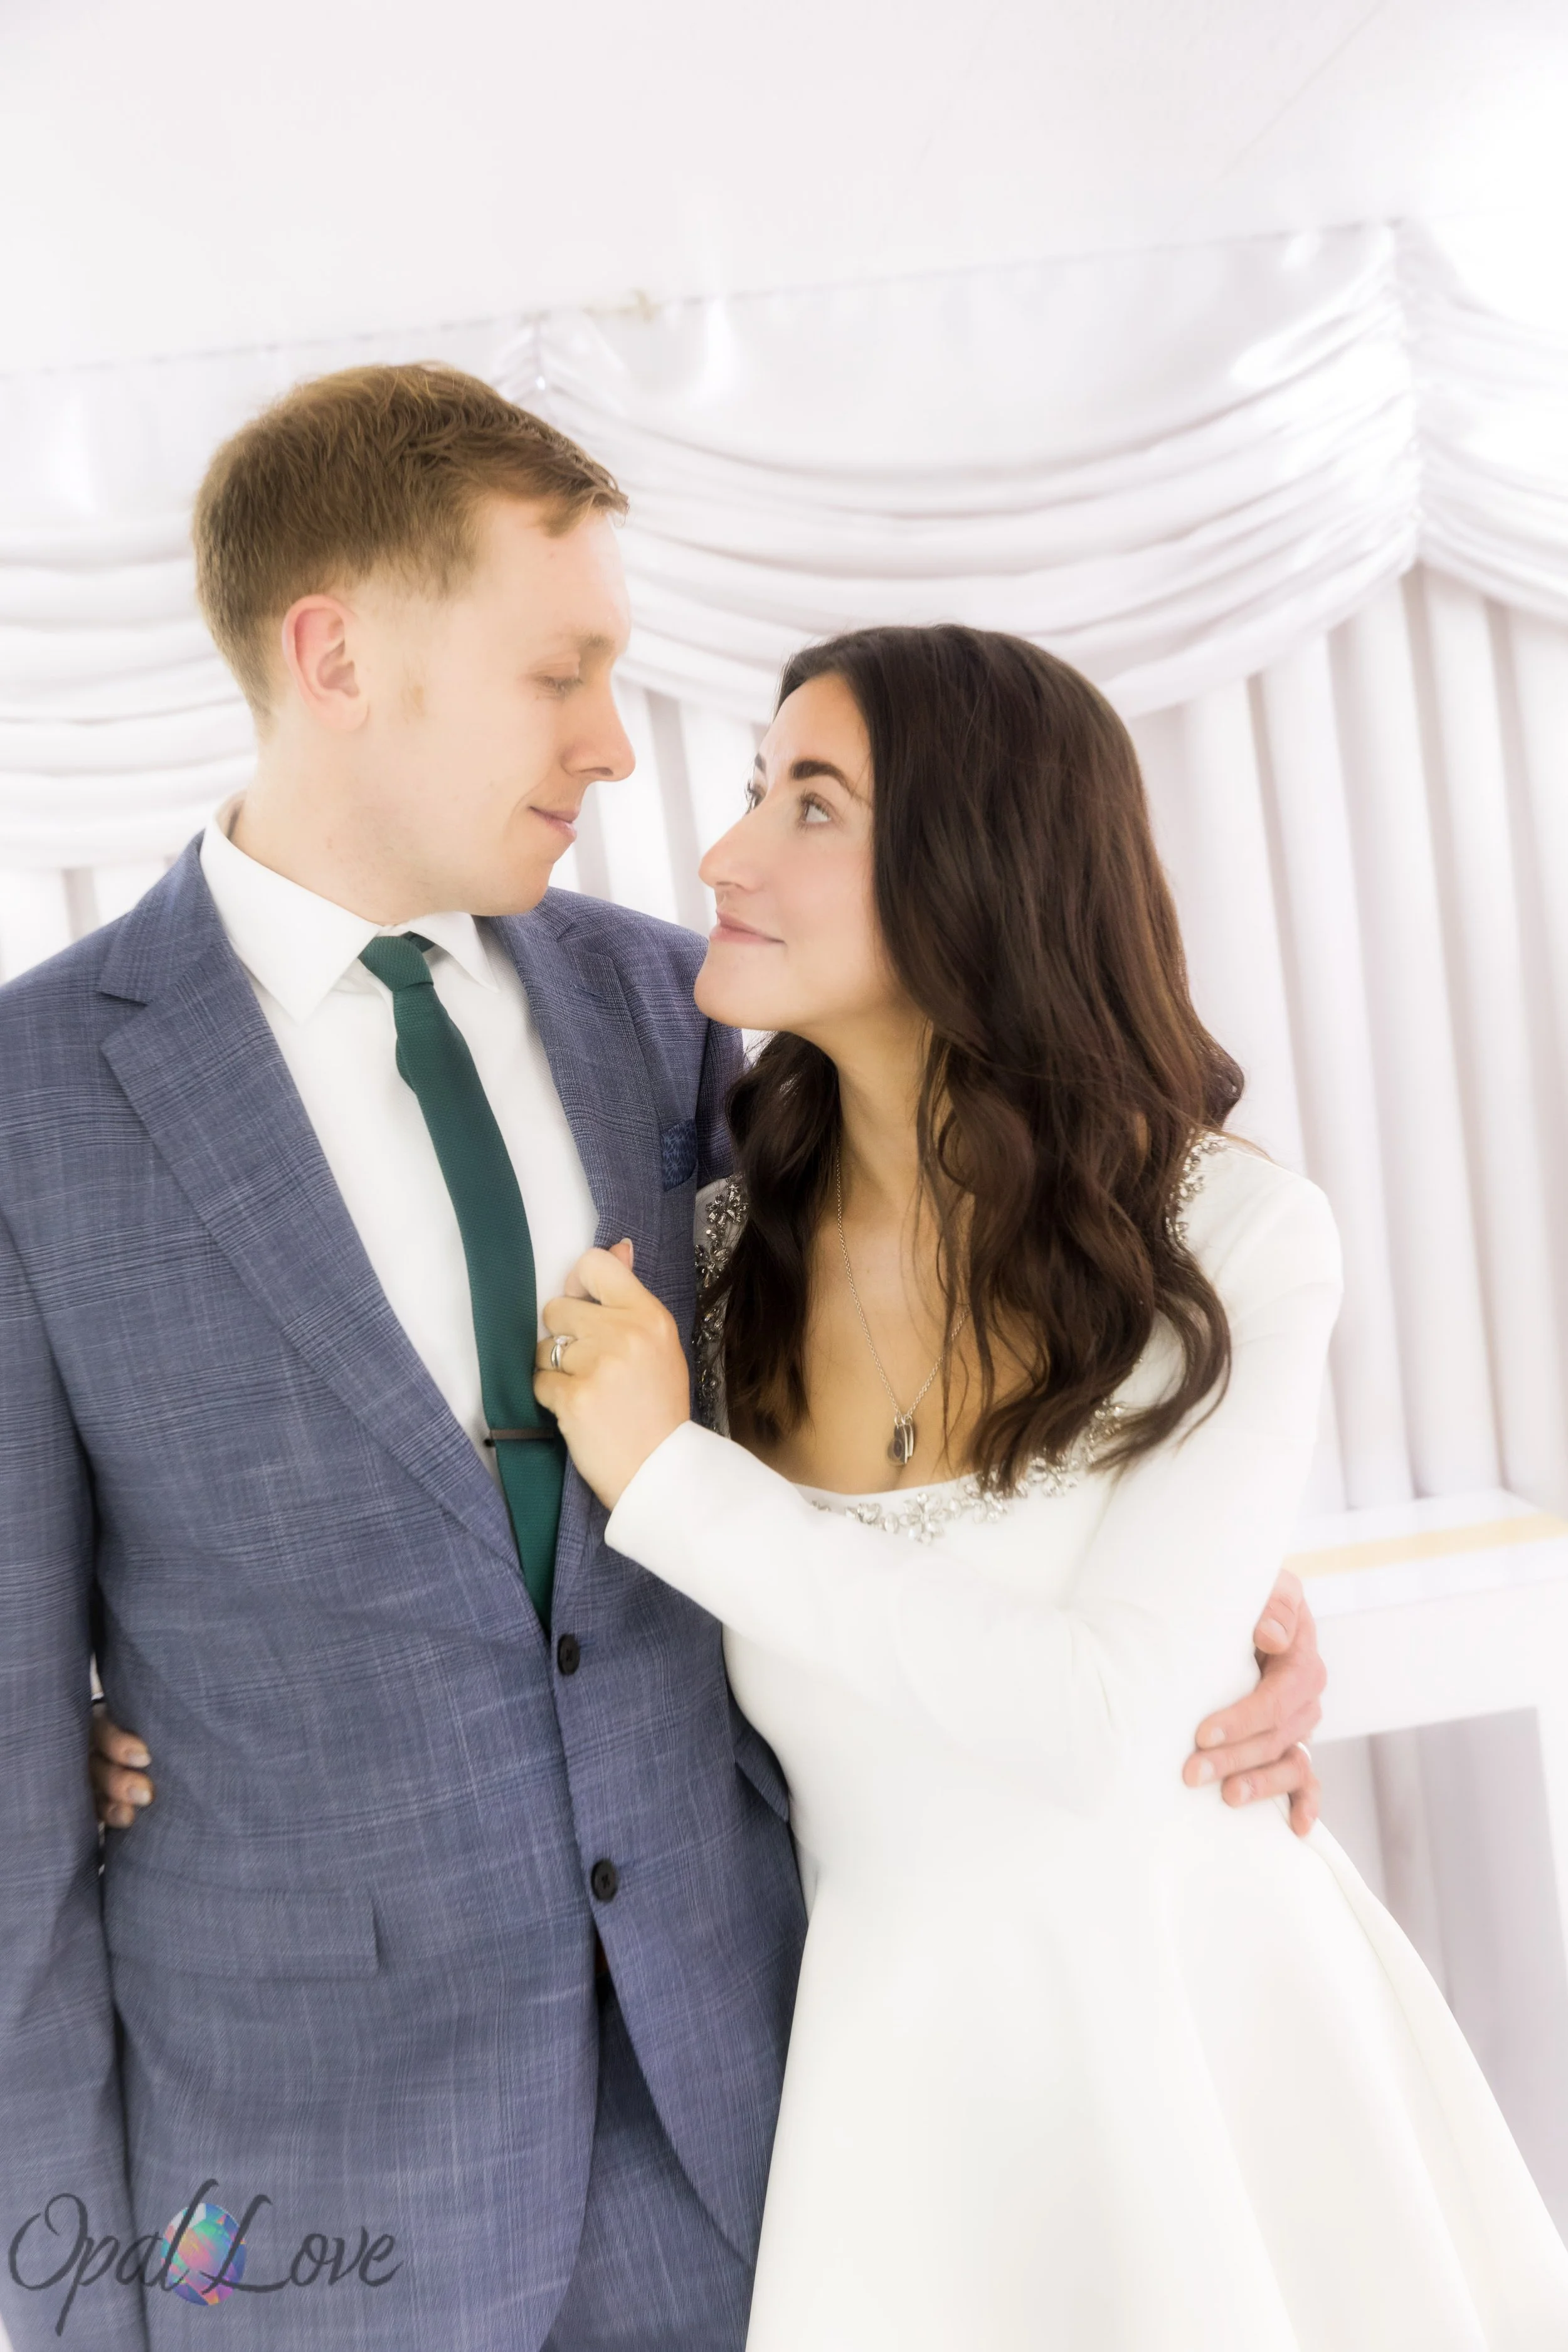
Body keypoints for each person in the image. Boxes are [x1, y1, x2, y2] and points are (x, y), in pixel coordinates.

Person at [8, 363, 1318, 2352]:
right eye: (563, 674)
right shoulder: (35, 1098)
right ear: (336, 652)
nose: (618, 749)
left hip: (771, 2151)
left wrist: (1210, 1582)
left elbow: (904, 1391)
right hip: (307, 2213)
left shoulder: (667, 1018)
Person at [524, 626, 1568, 2349]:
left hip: (1213, 2039)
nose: (726, 853)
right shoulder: (701, 1277)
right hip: (898, 2101)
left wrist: (671, 1478)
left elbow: (1091, 1722)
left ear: (979, 864)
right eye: (751, 792)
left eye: (811, 803)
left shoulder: (1232, 1237)